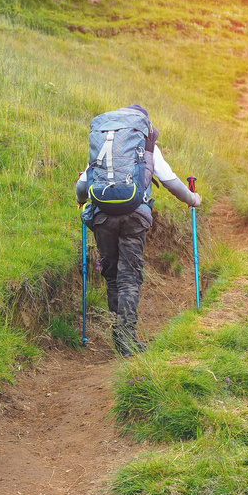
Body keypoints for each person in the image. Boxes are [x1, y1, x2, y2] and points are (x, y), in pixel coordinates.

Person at [75, 105, 201, 356]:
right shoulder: (146, 148)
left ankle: (118, 339)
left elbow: (81, 187)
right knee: (129, 277)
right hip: (134, 216)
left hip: (102, 217)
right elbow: (171, 183)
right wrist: (193, 199)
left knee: (112, 277)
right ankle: (127, 341)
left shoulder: (104, 147)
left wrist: (81, 200)